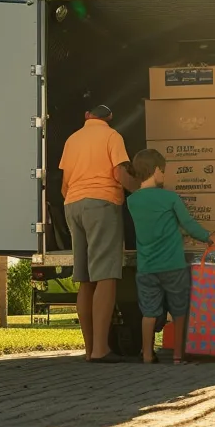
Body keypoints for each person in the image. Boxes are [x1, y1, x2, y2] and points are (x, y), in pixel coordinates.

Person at [59, 103, 139, 363]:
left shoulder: (72, 139)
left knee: (85, 279)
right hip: (101, 204)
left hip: (73, 204)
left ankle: (89, 348)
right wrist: (141, 191)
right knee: (105, 275)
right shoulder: (112, 136)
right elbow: (119, 173)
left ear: (86, 115)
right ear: (110, 118)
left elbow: (64, 184)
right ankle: (101, 350)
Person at [126, 149, 215, 365]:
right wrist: (209, 238)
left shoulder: (132, 201)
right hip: (173, 265)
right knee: (179, 309)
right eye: (163, 171)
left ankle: (148, 355)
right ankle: (178, 355)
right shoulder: (170, 197)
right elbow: (188, 224)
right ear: (157, 170)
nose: (164, 175)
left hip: (147, 266)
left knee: (148, 312)